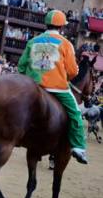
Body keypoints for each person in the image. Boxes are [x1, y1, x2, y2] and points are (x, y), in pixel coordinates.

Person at [18, 10, 88, 164]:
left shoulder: (32, 41)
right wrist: (66, 77)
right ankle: (78, 147)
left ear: (46, 24)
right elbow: (72, 71)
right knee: (75, 112)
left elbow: (21, 66)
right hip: (57, 87)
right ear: (61, 27)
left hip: (33, 86)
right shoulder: (66, 43)